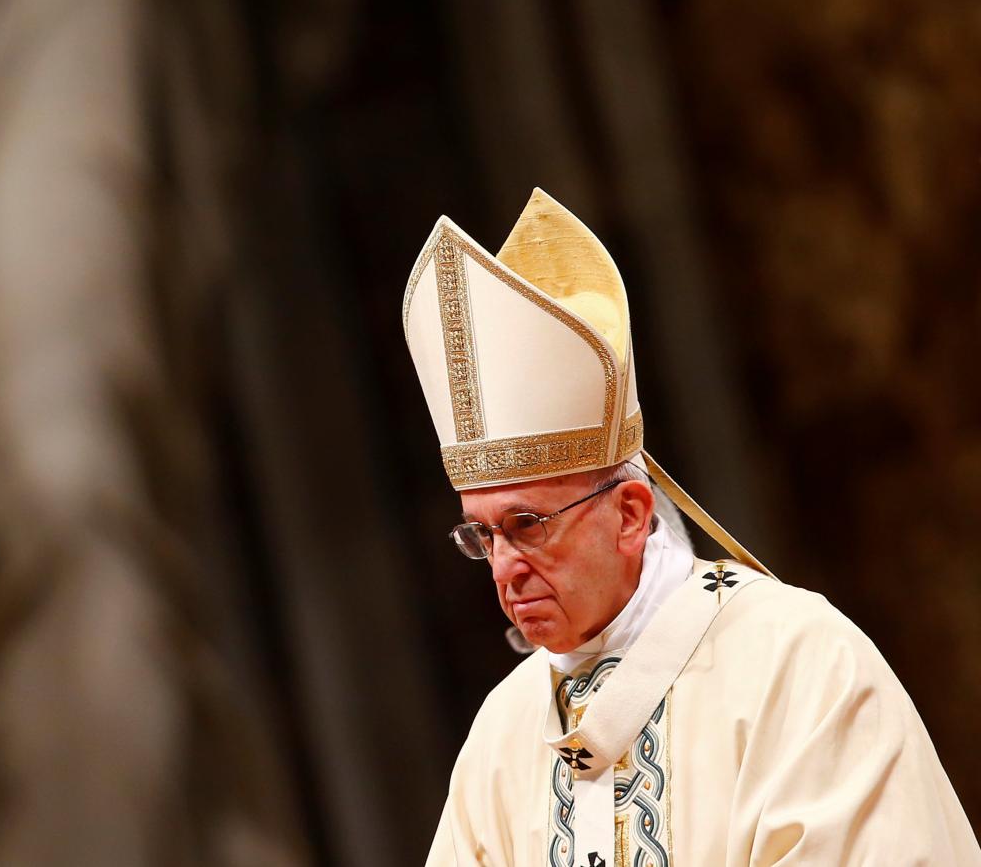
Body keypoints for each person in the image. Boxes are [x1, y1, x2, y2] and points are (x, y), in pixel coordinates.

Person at [402, 188, 981, 866]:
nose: (503, 567)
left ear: (629, 514)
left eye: (528, 525)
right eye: (484, 535)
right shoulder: (501, 741)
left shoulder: (798, 664)